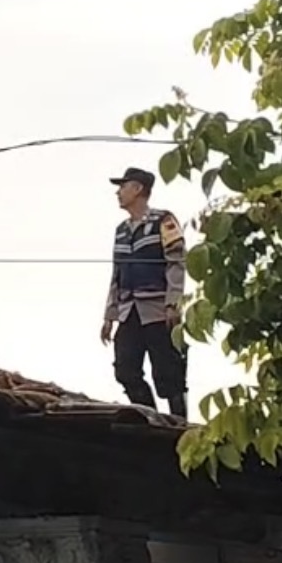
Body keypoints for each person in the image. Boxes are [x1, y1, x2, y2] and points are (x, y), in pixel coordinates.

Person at [100, 166, 189, 418]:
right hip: (129, 310)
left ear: (138, 189)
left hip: (157, 309)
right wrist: (110, 315)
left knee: (169, 370)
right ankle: (149, 416)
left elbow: (176, 261)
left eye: (123, 186)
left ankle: (179, 422)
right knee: (125, 369)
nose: (118, 192)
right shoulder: (121, 230)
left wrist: (173, 303)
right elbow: (117, 273)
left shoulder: (163, 221)